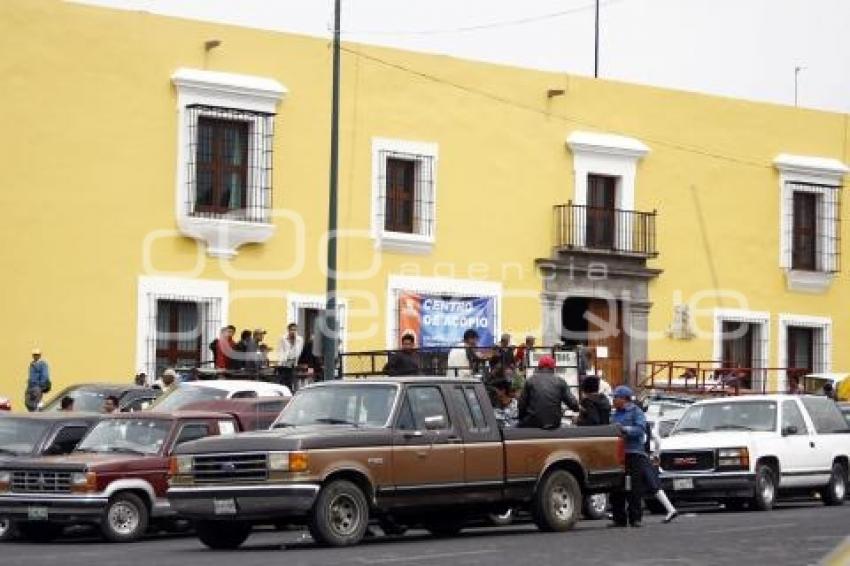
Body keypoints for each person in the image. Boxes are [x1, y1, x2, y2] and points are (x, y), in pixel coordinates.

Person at [610, 385, 648, 528]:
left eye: (616, 397)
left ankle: (635, 517)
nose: (614, 400)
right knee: (617, 486)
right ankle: (618, 518)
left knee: (635, 487)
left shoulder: (636, 412)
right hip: (618, 455)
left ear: (624, 399)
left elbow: (640, 429)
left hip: (634, 453)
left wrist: (624, 429)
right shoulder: (614, 414)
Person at [517, 356, 579, 429]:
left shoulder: (530, 381)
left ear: (539, 367)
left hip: (532, 422)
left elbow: (521, 405)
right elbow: (574, 405)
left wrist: (521, 418)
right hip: (555, 423)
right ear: (553, 368)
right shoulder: (560, 381)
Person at [641, 410, 678, 523]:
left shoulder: (638, 425)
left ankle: (670, 509)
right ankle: (670, 508)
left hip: (640, 457)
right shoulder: (645, 424)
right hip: (647, 456)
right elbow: (657, 439)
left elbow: (643, 440)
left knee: (647, 485)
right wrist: (656, 453)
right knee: (653, 485)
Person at [277, 323, 304, 388]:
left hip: (294, 364)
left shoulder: (299, 339)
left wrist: (294, 342)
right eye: (291, 330)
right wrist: (281, 362)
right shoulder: (283, 338)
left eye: (295, 330)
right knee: (283, 382)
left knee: (292, 382)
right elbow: (280, 351)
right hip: (284, 364)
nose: (293, 332)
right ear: (288, 330)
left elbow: (298, 351)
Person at [25, 348, 51, 412]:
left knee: (35, 402)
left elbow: (45, 375)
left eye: (37, 354)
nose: (35, 356)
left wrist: (40, 386)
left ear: (39, 355)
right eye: (34, 354)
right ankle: (33, 413)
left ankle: (36, 414)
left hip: (37, 386)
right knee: (27, 402)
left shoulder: (43, 364)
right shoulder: (32, 364)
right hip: (30, 386)